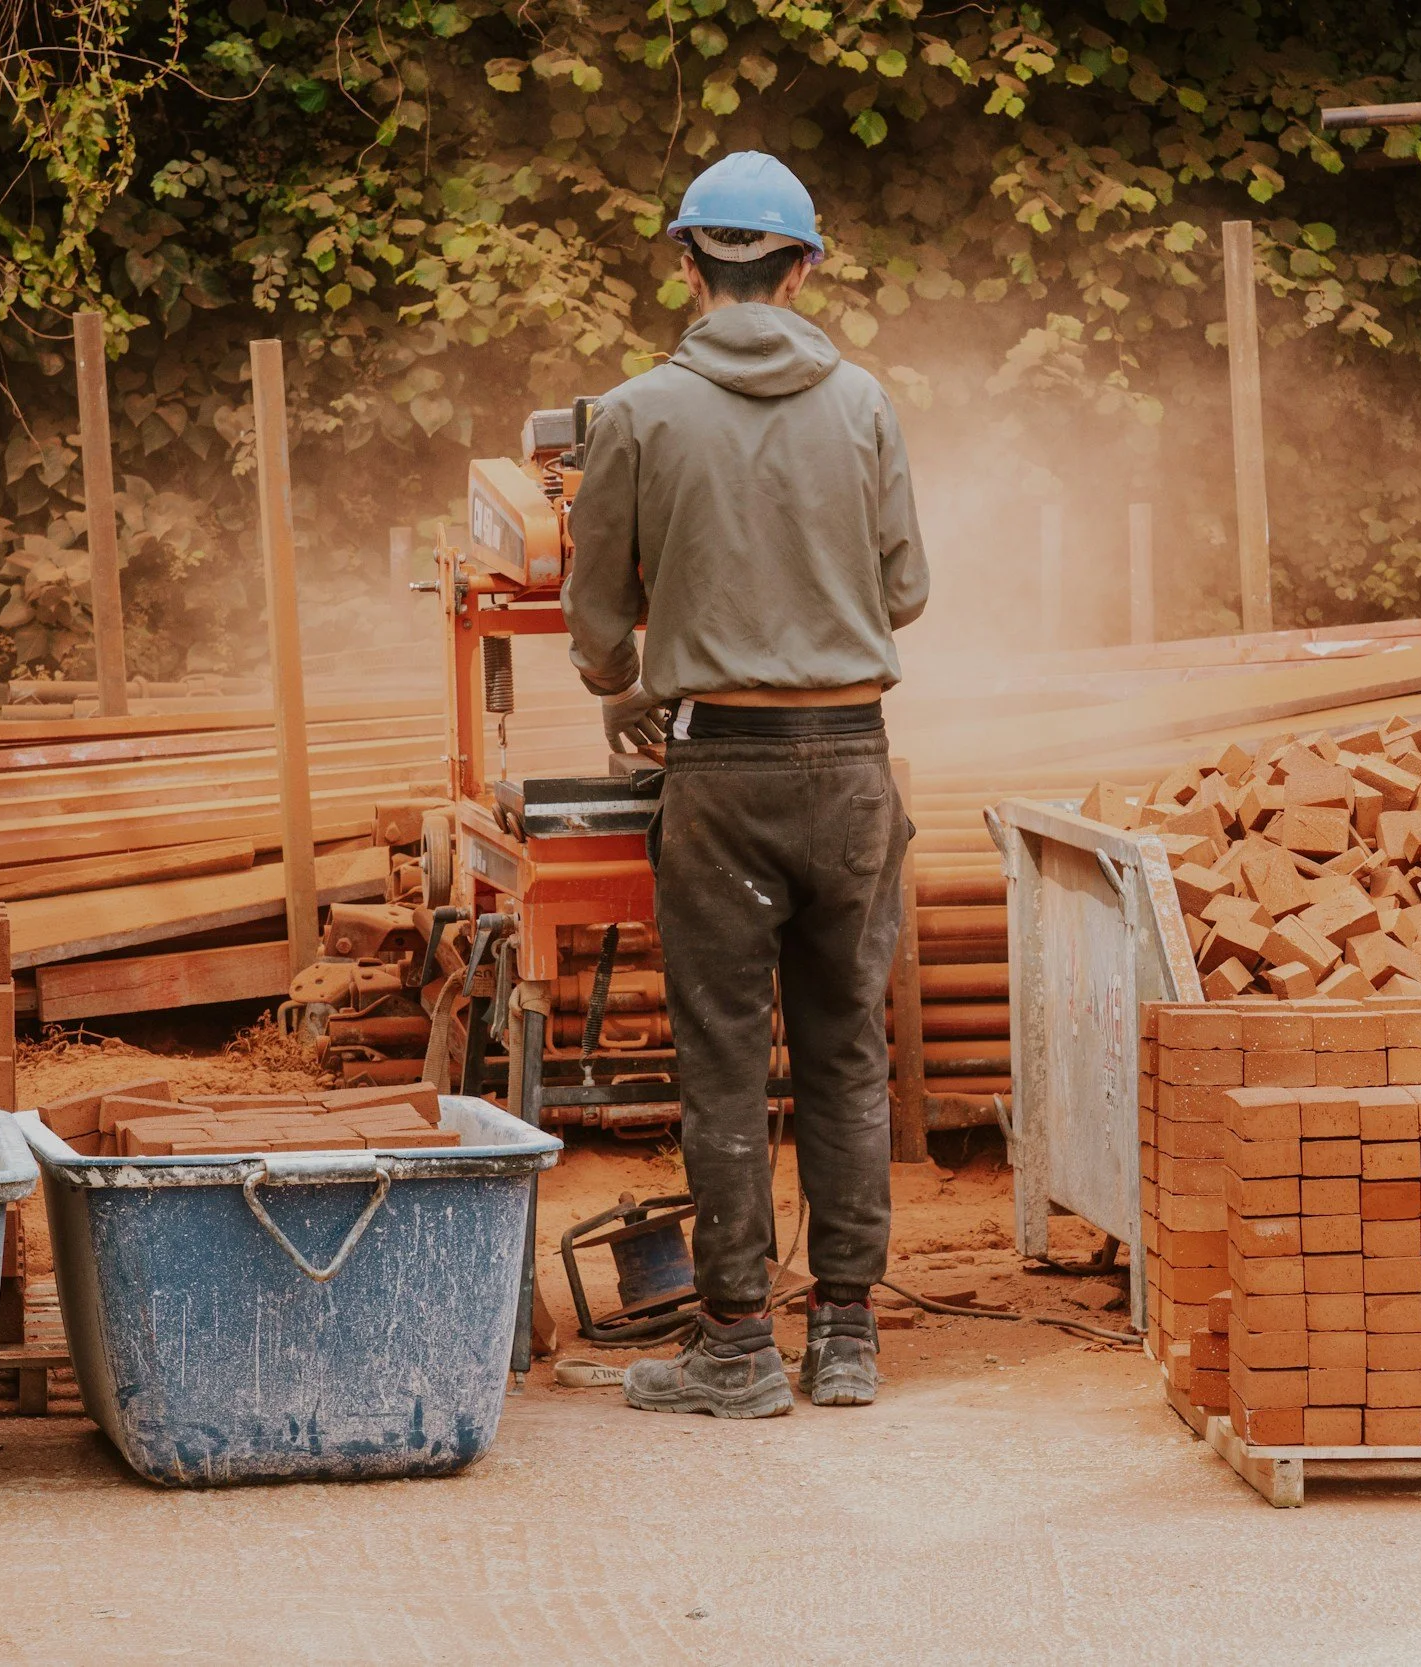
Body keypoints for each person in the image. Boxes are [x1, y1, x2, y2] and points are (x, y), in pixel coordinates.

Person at [564, 151, 929, 1417]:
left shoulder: (634, 412)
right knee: (846, 1048)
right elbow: (905, 593)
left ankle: (735, 1347)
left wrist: (632, 677)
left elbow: (600, 623)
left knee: (726, 1060)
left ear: (685, 267)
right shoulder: (869, 403)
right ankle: (845, 1336)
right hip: (851, 770)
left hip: (720, 772)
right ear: (805, 266)